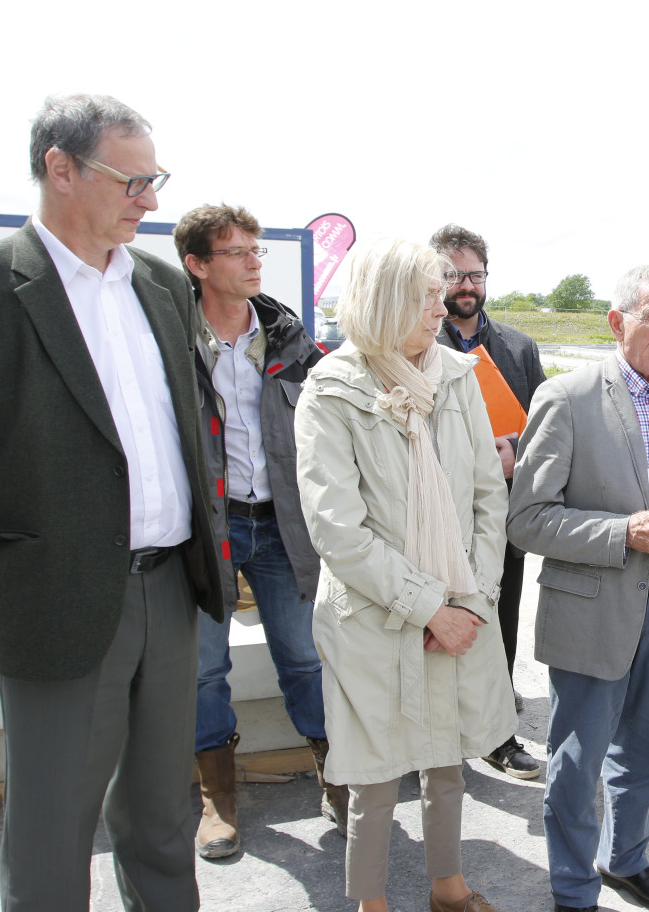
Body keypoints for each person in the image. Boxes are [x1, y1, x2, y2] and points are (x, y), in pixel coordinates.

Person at [0, 94, 225, 911]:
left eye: (154, 180)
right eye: (133, 181)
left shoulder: (161, 284)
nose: (151, 201)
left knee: (164, 817)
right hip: (55, 600)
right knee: (51, 835)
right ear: (60, 167)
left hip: (170, 590)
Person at [295, 238, 514, 912]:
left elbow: (487, 495)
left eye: (437, 292)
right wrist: (428, 608)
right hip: (375, 613)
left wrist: (474, 601)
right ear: (384, 299)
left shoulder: (456, 374)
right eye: (422, 294)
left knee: (446, 757)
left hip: (458, 603)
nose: (437, 306)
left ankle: (447, 886)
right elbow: (338, 531)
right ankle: (372, 902)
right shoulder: (331, 389)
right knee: (375, 770)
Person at [507, 265, 649, 912]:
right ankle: (573, 892)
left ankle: (624, 860)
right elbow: (526, 520)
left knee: (642, 752)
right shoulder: (567, 399)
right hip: (593, 607)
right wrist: (620, 533)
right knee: (576, 766)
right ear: (617, 322)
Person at [173, 203, 345, 858]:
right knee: (202, 669)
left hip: (281, 525)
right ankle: (217, 799)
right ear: (198, 265)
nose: (253, 262)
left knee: (303, 656)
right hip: (205, 530)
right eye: (237, 252)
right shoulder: (169, 338)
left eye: (256, 250)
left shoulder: (290, 339)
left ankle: (338, 777)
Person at [430, 223, 545, 780]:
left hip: (501, 509)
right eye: (453, 274)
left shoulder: (520, 348)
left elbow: (547, 429)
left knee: (500, 614)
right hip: (435, 512)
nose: (466, 284)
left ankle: (497, 732)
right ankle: (437, 733)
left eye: (475, 273)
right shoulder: (418, 343)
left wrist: (515, 452)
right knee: (439, 617)